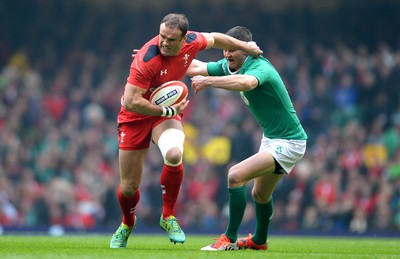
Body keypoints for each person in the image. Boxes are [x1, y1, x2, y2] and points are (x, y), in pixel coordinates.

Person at [110, 14, 263, 249]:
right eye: (161, 36)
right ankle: (127, 223)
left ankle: (168, 216)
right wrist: (166, 110)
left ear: (184, 39)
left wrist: (246, 47)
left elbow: (215, 38)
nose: (164, 42)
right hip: (136, 117)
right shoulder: (146, 59)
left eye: (171, 39)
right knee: (129, 187)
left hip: (164, 113)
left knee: (174, 154)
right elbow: (131, 102)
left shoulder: (193, 41)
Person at [187, 26, 308, 251]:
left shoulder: (259, 66)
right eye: (225, 49)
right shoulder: (230, 65)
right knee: (260, 194)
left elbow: (247, 83)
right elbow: (196, 66)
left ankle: (229, 239)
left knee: (235, 175)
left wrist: (208, 82)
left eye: (232, 49)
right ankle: (260, 242)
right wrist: (160, 60)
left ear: (244, 50)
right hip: (272, 138)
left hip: (289, 142)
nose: (226, 54)